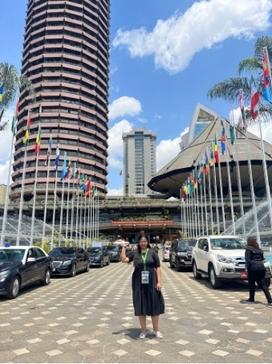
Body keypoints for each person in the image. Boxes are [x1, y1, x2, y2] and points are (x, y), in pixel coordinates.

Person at [121, 235, 165, 339]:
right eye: (141, 241)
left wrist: (159, 282)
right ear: (138, 243)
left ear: (147, 242)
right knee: (141, 305)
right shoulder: (135, 253)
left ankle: (156, 330)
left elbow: (158, 267)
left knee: (154, 304)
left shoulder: (153, 252)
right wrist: (123, 247)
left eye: (145, 241)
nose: (143, 243)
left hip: (152, 281)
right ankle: (143, 330)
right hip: (138, 282)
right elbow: (124, 259)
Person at [241, 236, 272, 305]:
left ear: (249, 241)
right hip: (261, 267)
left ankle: (251, 299)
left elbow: (248, 260)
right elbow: (263, 259)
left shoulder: (248, 249)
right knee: (263, 284)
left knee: (251, 284)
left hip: (253, 268)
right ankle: (270, 300)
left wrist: (246, 268)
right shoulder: (259, 249)